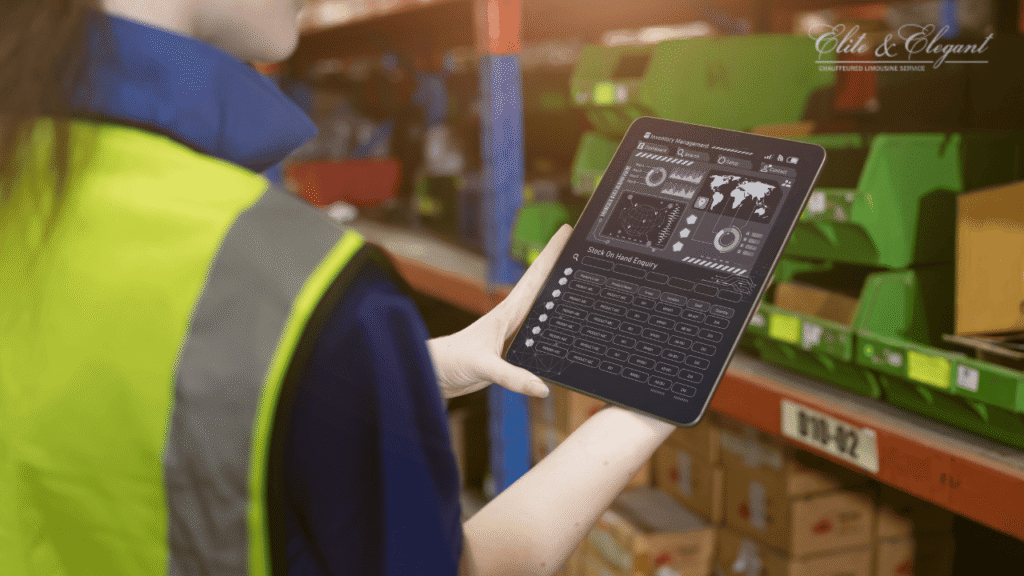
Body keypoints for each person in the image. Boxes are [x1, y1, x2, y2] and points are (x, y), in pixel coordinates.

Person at [0, 1, 676, 575]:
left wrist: (404, 374)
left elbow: (110, 385)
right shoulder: (296, 278)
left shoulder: (34, 174)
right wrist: (643, 405)